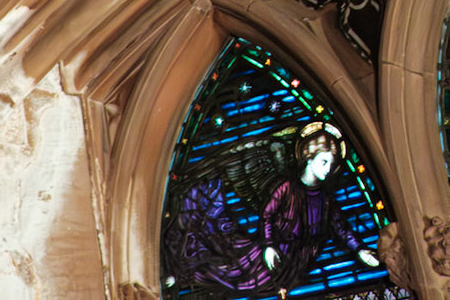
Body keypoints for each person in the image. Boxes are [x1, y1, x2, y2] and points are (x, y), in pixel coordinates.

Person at [163, 121, 382, 295]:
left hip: (296, 262)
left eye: (332, 164)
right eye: (324, 161)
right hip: (270, 253)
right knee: (235, 277)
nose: (328, 169)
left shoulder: (325, 200)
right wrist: (268, 246)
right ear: (308, 158)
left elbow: (341, 228)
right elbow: (267, 216)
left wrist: (360, 250)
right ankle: (182, 274)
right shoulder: (286, 187)